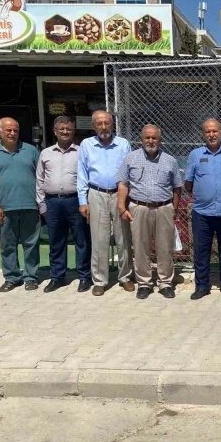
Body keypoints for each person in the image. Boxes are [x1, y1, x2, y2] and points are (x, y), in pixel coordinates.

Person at [117, 125, 183, 300]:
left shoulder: (170, 160)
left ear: (160, 140)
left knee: (165, 247)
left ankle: (165, 283)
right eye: (147, 137)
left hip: (164, 208)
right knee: (140, 247)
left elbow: (177, 187)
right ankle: (144, 283)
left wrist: (174, 208)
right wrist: (122, 207)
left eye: (154, 138)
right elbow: (123, 184)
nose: (151, 141)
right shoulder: (130, 158)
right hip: (139, 208)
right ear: (141, 139)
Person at [185, 118, 221, 300]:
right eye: (208, 131)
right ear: (203, 134)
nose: (211, 134)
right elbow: (188, 183)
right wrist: (203, 195)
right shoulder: (195, 155)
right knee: (202, 251)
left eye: (214, 131)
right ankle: (202, 286)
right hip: (202, 213)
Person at [77, 110, 134, 297]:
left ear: (112, 124)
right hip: (96, 193)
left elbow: (130, 171)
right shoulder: (86, 145)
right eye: (99, 124)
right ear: (94, 126)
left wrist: (128, 198)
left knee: (123, 237)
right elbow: (82, 173)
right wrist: (83, 201)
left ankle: (125, 277)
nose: (103, 127)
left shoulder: (123, 144)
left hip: (119, 194)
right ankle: (100, 280)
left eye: (107, 123)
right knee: (99, 239)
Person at [0, 117, 41, 292]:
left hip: (30, 205)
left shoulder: (31, 150)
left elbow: (41, 177)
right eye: (8, 130)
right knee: (7, 245)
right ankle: (12, 277)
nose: (12, 133)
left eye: (15, 130)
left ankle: (31, 277)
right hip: (4, 208)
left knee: (31, 244)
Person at [35, 116, 92, 293]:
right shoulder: (46, 153)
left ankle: (84, 276)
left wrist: (86, 202)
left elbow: (88, 177)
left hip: (76, 200)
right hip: (52, 203)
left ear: (73, 131)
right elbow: (39, 180)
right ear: (55, 131)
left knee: (82, 240)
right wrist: (42, 205)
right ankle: (57, 277)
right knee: (56, 241)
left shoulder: (82, 151)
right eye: (62, 129)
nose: (65, 132)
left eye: (69, 129)